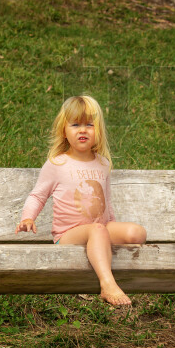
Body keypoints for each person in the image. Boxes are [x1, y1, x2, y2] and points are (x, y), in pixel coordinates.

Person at [16, 95, 147, 306]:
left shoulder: (102, 164)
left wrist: (111, 224)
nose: (83, 130)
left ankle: (99, 247)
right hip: (68, 235)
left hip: (99, 229)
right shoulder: (57, 164)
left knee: (136, 232)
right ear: (64, 131)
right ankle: (107, 284)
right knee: (96, 230)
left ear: (99, 131)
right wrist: (28, 217)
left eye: (89, 125)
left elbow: (107, 200)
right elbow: (38, 195)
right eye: (75, 124)